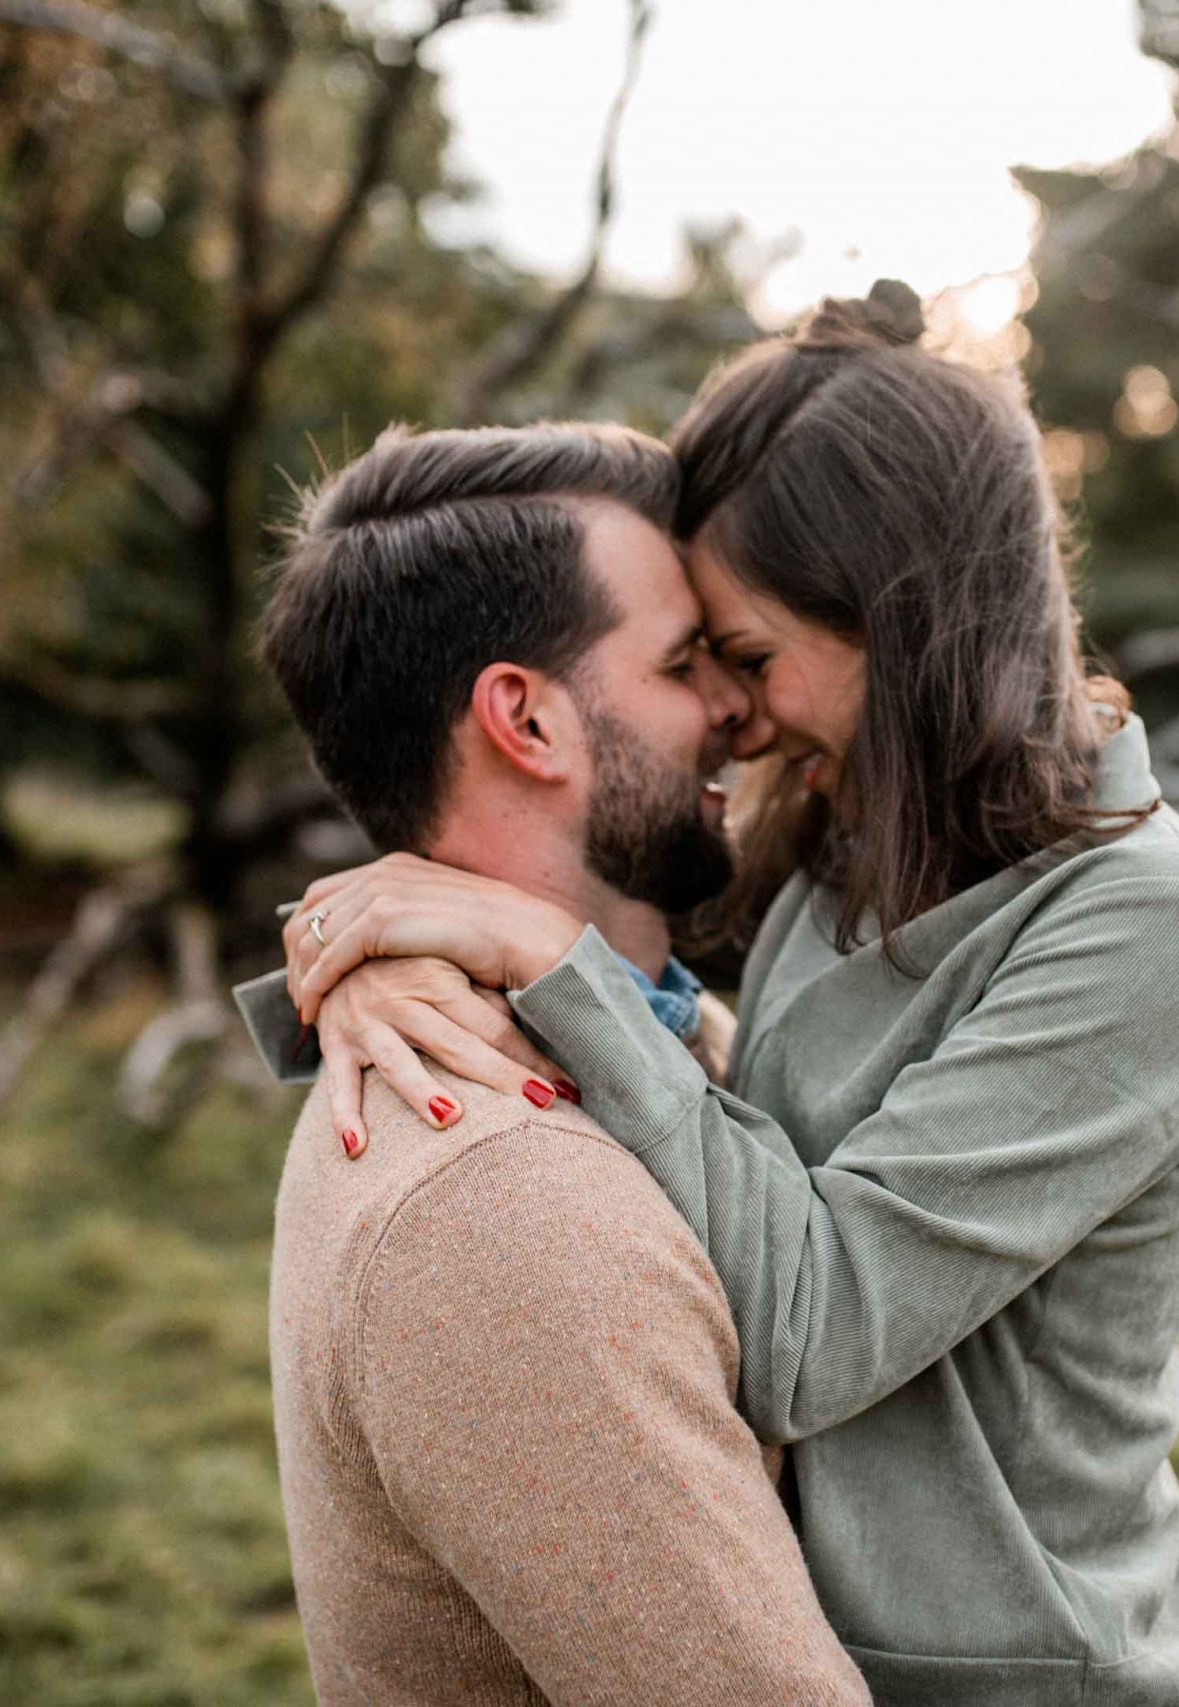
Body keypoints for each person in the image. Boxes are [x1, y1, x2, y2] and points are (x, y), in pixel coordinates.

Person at [276, 282, 1179, 1705]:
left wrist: (529, 953)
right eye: (699, 661)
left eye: (740, 656)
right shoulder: (846, 825)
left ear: (905, 628)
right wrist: (374, 946)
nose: (730, 714)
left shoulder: (1154, 920)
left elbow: (811, 1318)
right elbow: (600, 913)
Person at [239, 419, 869, 1705]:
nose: (737, 710)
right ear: (526, 719)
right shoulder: (504, 1202)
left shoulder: (647, 1039)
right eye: (685, 660)